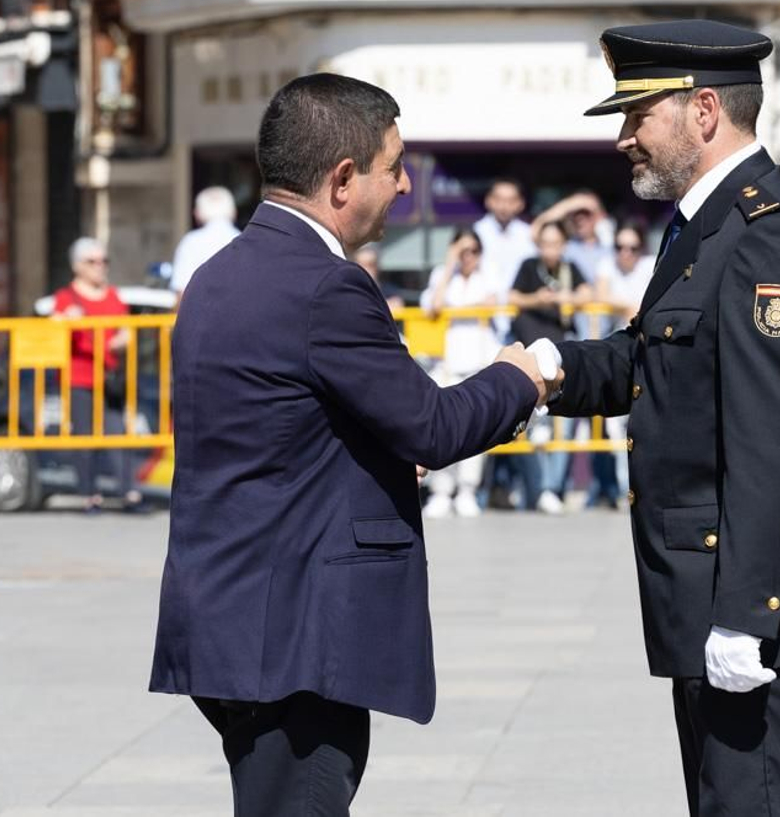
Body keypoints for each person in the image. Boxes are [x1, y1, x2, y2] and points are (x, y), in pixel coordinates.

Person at [151, 73, 554, 816]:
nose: (403, 186)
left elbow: (282, 429)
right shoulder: (327, 285)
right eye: (393, 166)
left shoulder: (216, 276)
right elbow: (431, 422)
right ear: (343, 179)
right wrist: (519, 375)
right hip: (296, 636)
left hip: (228, 616)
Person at [537, 20, 780, 815]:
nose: (623, 139)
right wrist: (549, 368)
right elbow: (656, 358)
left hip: (746, 604)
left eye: (637, 115)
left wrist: (744, 618)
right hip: (707, 591)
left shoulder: (767, 234)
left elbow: (773, 441)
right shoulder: (706, 225)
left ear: (703, 109)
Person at [52, 237, 144, 514]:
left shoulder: (113, 295)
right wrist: (66, 319)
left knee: (118, 433)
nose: (100, 266)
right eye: (92, 261)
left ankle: (129, 492)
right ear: (77, 266)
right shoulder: (66, 297)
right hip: (78, 377)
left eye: (104, 260)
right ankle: (90, 495)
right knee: (85, 437)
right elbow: (50, 327)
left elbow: (126, 331)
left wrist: (121, 341)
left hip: (109, 376)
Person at [419, 229, 503, 518]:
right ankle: (442, 490)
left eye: (473, 251)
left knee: (475, 428)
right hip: (446, 363)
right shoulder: (442, 275)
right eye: (462, 251)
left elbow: (491, 305)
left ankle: (468, 490)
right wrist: (450, 264)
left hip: (478, 361)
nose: (469, 257)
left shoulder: (488, 272)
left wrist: (460, 308)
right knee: (443, 426)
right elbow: (434, 306)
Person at [509, 219, 592, 514]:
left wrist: (565, 297)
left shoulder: (570, 270)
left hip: (561, 357)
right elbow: (513, 297)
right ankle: (536, 489)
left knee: (563, 429)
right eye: (545, 243)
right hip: (529, 357)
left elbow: (589, 294)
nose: (551, 249)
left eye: (556, 243)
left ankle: (552, 488)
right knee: (531, 430)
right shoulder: (528, 267)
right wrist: (537, 299)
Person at [595, 225, 656, 506]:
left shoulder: (649, 264)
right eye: (620, 247)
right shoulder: (607, 265)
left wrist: (629, 307)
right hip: (617, 351)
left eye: (632, 247)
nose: (626, 253)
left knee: (642, 425)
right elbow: (600, 296)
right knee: (614, 432)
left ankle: (636, 488)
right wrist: (627, 307)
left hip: (647, 351)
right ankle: (622, 489)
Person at [170, 185, 241, 298]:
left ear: (197, 214)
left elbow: (182, 292)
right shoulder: (243, 239)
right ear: (234, 212)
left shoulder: (191, 242)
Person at [473, 176, 537, 296]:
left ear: (521, 203)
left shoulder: (528, 234)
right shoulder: (476, 232)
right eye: (499, 200)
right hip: (484, 306)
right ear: (488, 200)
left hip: (520, 307)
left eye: (511, 201)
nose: (504, 206)